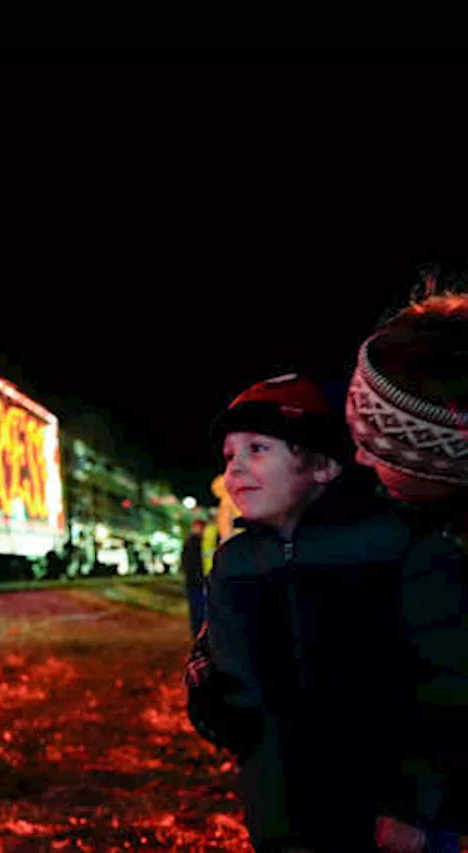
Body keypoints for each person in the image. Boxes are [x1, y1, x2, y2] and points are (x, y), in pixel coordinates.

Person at [192, 372, 411, 852]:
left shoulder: (385, 547)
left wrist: (411, 807)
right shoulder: (234, 563)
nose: (235, 469)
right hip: (277, 808)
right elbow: (222, 665)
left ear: (323, 465)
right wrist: (210, 696)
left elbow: (436, 683)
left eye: (258, 449)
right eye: (230, 456)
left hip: (378, 813)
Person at [347, 292, 468, 853]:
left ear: (444, 456)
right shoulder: (429, 521)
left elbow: (445, 693)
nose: (361, 460)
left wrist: (410, 808)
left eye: (381, 447)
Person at [180, 518, 206, 636]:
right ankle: (199, 632)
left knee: (196, 609)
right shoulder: (196, 543)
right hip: (196, 582)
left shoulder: (189, 542)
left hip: (193, 582)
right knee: (199, 608)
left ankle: (197, 632)